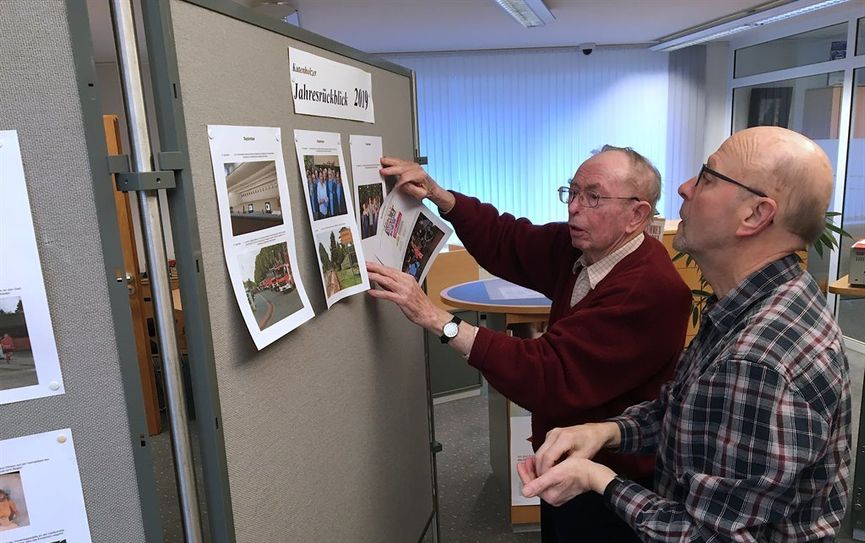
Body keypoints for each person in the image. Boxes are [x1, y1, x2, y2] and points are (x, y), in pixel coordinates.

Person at [518, 126, 851, 542]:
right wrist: (606, 431)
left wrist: (600, 479)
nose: (683, 187)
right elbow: (688, 412)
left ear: (755, 215)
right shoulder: (754, 304)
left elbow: (706, 536)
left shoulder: (757, 359)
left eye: (707, 178)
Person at [366, 146, 692, 542]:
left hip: (609, 482)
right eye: (571, 192)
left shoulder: (650, 290)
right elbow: (508, 239)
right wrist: (438, 194)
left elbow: (548, 372)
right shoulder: (585, 249)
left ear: (637, 215)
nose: (574, 207)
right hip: (560, 461)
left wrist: (438, 320)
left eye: (593, 196)